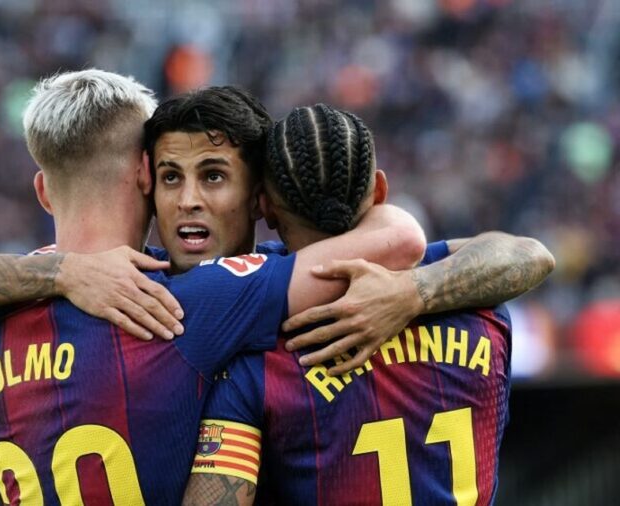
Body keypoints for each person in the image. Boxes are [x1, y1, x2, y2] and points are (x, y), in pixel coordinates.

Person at [0, 74, 429, 504]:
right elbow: (398, 239)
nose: (187, 197)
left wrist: (61, 272)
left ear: (44, 192)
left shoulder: (1, 308)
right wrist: (420, 291)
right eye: (170, 175)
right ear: (145, 174)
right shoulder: (185, 302)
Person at [183, 104, 554, 505]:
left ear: (265, 208)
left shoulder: (258, 350)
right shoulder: (481, 310)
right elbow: (530, 255)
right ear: (379, 190)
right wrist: (417, 290)